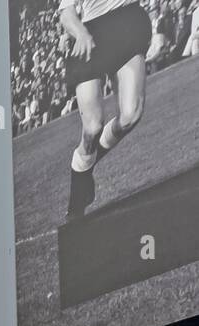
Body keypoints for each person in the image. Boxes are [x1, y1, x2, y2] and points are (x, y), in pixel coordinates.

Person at [61, 0, 153, 218]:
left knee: (131, 115)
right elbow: (67, 14)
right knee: (92, 127)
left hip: (128, 21)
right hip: (91, 32)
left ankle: (85, 166)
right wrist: (81, 33)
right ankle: (80, 174)